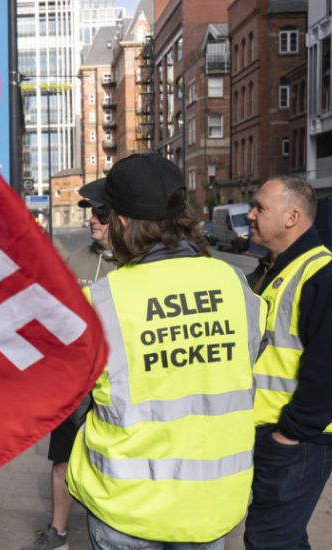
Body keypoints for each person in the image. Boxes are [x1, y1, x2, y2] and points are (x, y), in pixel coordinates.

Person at [65, 153, 267, 550]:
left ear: (122, 222)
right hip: (212, 507)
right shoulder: (233, 283)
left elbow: (73, 401)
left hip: (127, 508)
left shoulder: (102, 301)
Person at [243, 176, 332, 550]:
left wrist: (288, 435)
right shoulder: (271, 269)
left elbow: (330, 377)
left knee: (269, 539)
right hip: (269, 432)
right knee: (283, 537)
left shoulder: (328, 280)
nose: (249, 214)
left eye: (260, 208)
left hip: (299, 439)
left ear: (292, 216)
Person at [22, 180, 115, 550]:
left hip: (114, 386)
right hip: (73, 385)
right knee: (61, 459)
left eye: (101, 214)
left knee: (108, 464)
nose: (93, 220)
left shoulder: (135, 264)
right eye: (91, 213)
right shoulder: (77, 259)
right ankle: (58, 531)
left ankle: (107, 531)